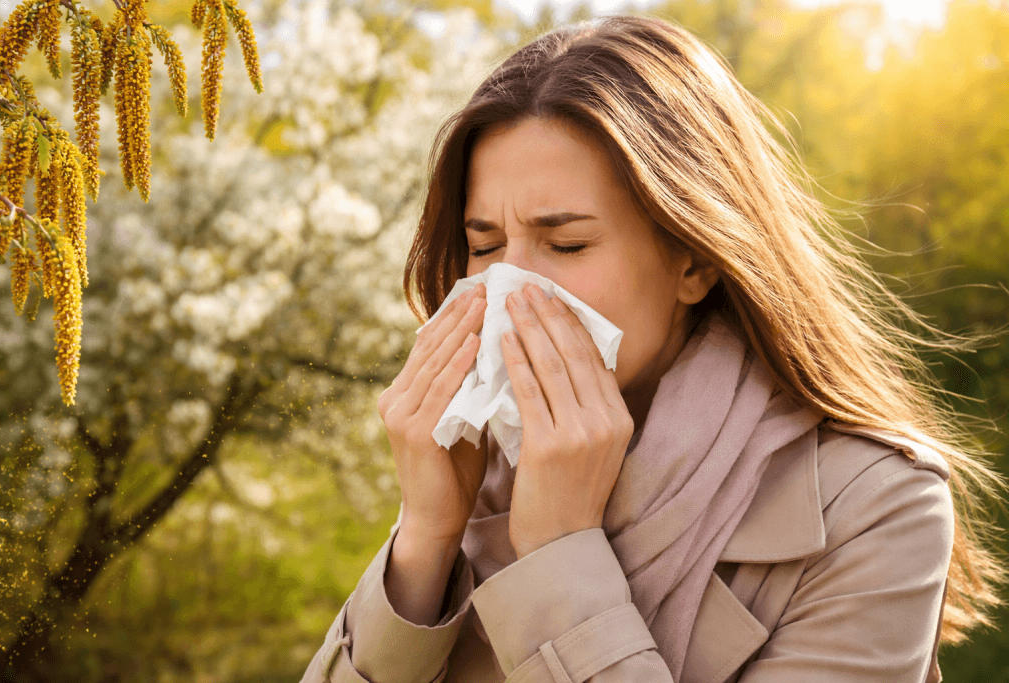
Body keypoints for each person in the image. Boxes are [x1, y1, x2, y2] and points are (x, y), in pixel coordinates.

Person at [299, 14, 1004, 683]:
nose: (509, 289)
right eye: (485, 247)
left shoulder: (877, 505)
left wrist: (557, 552)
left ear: (693, 259)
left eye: (566, 243)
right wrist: (423, 539)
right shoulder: (478, 470)